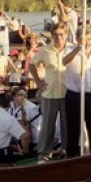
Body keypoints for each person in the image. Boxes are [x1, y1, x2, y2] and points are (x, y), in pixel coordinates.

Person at [62, 29, 91, 157]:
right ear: (77, 39)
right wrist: (77, 49)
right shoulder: (70, 50)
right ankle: (71, 157)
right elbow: (64, 62)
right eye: (82, 39)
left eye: (88, 39)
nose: (86, 42)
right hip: (74, 95)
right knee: (73, 130)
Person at [30, 25, 71, 160]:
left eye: (61, 34)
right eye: (55, 34)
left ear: (66, 34)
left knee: (67, 124)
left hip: (67, 92)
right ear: (52, 35)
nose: (58, 37)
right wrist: (38, 82)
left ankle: (66, 150)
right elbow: (32, 64)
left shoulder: (71, 48)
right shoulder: (45, 50)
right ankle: (44, 153)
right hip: (50, 92)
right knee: (48, 124)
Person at [8, 87, 41, 152]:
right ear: (13, 97)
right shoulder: (10, 108)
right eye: (20, 95)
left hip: (32, 141)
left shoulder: (31, 107)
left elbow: (36, 125)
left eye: (25, 95)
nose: (23, 97)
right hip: (17, 139)